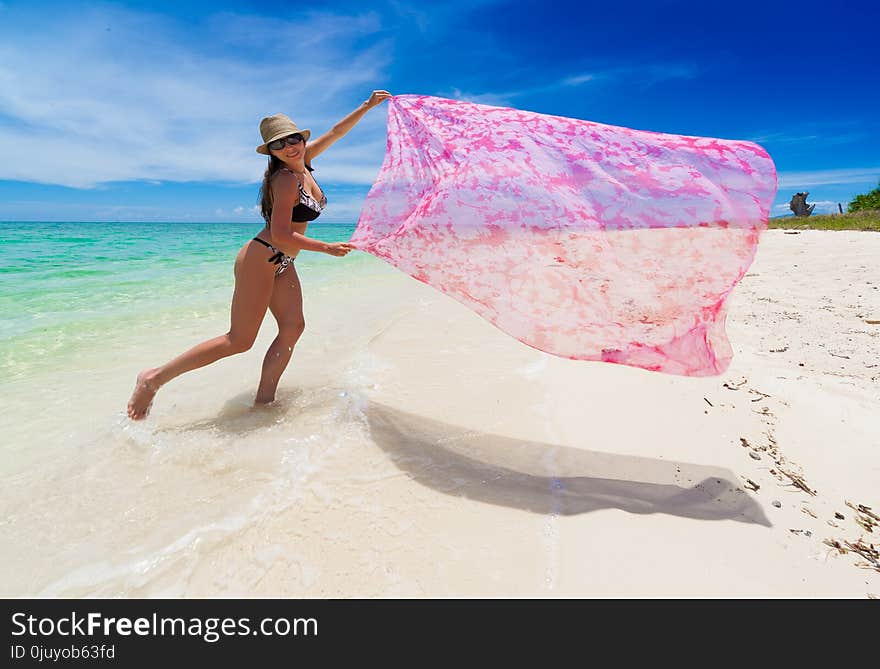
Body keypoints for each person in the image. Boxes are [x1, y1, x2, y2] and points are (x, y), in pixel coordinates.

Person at [126, 90, 392, 420]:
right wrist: (326, 248)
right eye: (278, 144)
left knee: (293, 327)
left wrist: (367, 106)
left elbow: (337, 132)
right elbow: (280, 233)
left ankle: (264, 402)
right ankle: (153, 379)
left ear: (300, 139)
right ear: (271, 151)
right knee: (239, 340)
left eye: (292, 139)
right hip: (260, 258)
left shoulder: (305, 164)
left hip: (283, 262)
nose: (288, 147)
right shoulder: (284, 179)